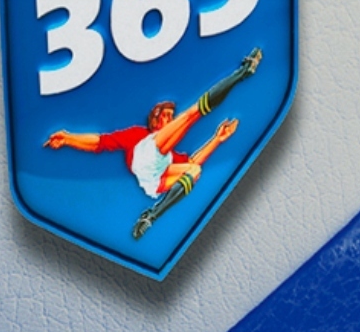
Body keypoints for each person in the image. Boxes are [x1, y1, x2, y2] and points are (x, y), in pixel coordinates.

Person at [45, 47, 264, 233]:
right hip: (144, 157)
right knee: (192, 114)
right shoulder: (138, 135)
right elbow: (100, 142)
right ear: (156, 119)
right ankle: (242, 73)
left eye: (171, 116)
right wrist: (68, 138)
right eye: (166, 116)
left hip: (153, 182)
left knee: (194, 171)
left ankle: (151, 216)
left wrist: (217, 139)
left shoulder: (168, 155)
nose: (170, 120)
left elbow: (192, 162)